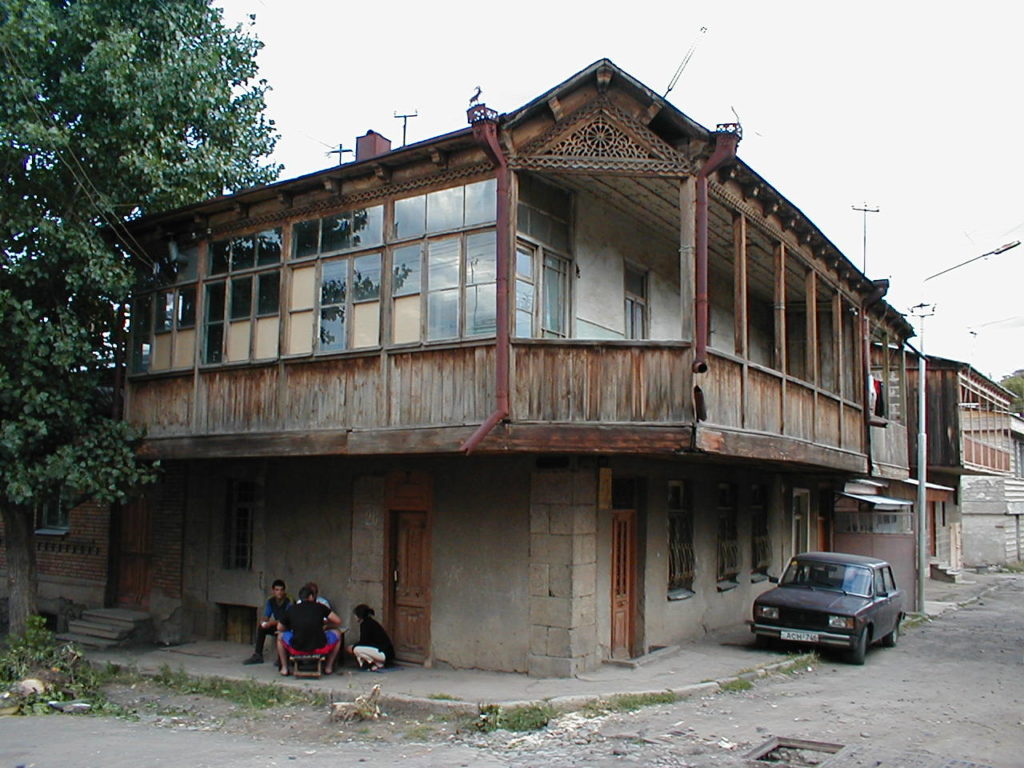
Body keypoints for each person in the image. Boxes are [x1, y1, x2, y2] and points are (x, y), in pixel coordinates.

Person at [276, 585, 344, 675]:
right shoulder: (320, 607)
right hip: (320, 647)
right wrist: (324, 625)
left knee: (280, 637)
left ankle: (284, 668)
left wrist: (293, 626)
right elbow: (338, 621)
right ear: (311, 597)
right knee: (337, 634)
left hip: (296, 648)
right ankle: (328, 667)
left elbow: (279, 628)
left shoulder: (292, 609)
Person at [244, 579, 290, 665]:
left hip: (287, 627)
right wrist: (264, 621)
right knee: (261, 628)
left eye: (281, 590)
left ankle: (282, 659)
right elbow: (267, 615)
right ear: (273, 591)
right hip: (276, 625)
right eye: (277, 590)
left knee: (283, 631)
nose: (279, 592)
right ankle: (258, 655)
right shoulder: (271, 601)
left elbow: (285, 619)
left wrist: (271, 623)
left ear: (284, 591)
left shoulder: (289, 602)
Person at [345, 604, 395, 671]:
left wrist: (353, 647)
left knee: (356, 649)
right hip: (386, 652)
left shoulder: (366, 624)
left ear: (359, 616)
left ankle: (371, 663)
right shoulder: (371, 622)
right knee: (355, 648)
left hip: (383, 653)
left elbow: (364, 642)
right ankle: (378, 663)